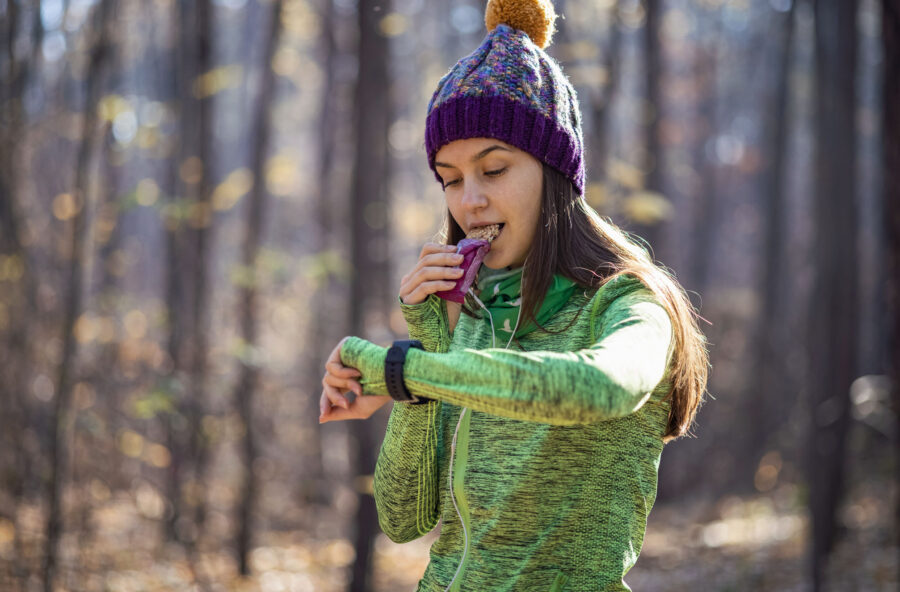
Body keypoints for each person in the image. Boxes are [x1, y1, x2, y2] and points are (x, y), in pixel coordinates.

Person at [318, 0, 709, 589]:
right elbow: (402, 519)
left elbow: (599, 386)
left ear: (555, 175)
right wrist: (428, 343)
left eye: (493, 170)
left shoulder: (629, 304)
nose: (468, 200)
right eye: (450, 179)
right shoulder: (470, 312)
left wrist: (403, 369)